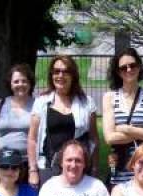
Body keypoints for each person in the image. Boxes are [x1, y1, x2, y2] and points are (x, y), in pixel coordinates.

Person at [27, 55, 99, 187]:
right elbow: (32, 139)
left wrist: (94, 168)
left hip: (78, 167)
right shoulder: (41, 102)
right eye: (56, 71)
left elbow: (93, 139)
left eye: (65, 71)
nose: (60, 75)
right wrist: (33, 170)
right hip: (49, 168)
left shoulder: (87, 103)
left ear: (73, 76)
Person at [103, 48, 143, 187]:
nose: (129, 69)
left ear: (139, 67)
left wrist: (126, 129)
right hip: (120, 169)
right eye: (124, 67)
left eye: (133, 65)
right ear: (118, 72)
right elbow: (110, 138)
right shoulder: (110, 97)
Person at [0, 63, 35, 160]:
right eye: (16, 81)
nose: (20, 84)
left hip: (28, 161)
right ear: (10, 84)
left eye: (24, 81)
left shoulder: (38, 105)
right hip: (3, 162)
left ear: (30, 83)